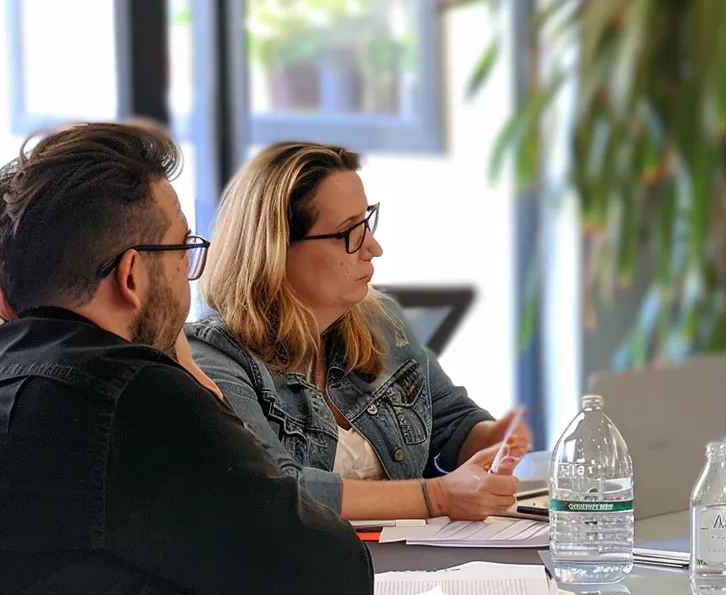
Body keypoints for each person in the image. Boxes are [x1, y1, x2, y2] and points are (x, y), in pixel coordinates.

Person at [0, 122, 371, 595]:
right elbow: (335, 585)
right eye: (183, 250)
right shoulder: (131, 397)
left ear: (3, 295)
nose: (190, 277)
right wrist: (200, 390)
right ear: (131, 275)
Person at [187, 142, 528, 522]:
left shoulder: (381, 320)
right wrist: (438, 498)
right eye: (349, 232)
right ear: (275, 248)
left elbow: (450, 424)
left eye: (366, 221)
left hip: (411, 567)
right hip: (300, 575)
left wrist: (498, 438)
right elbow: (278, 488)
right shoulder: (213, 357)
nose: (373, 248)